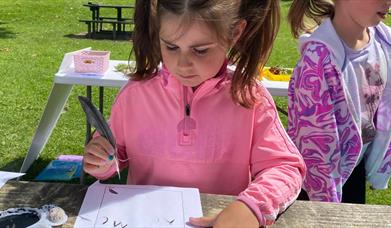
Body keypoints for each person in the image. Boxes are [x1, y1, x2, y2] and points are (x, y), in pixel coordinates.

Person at [83, 0, 305, 227]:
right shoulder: (134, 95)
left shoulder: (249, 99)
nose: (183, 64)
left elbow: (285, 168)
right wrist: (102, 160)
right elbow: (114, 152)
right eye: (171, 47)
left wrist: (252, 206)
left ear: (235, 33)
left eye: (200, 50)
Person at [287, 0, 391, 203]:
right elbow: (314, 142)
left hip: (354, 167)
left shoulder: (383, 42)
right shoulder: (317, 61)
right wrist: (327, 201)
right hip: (318, 184)